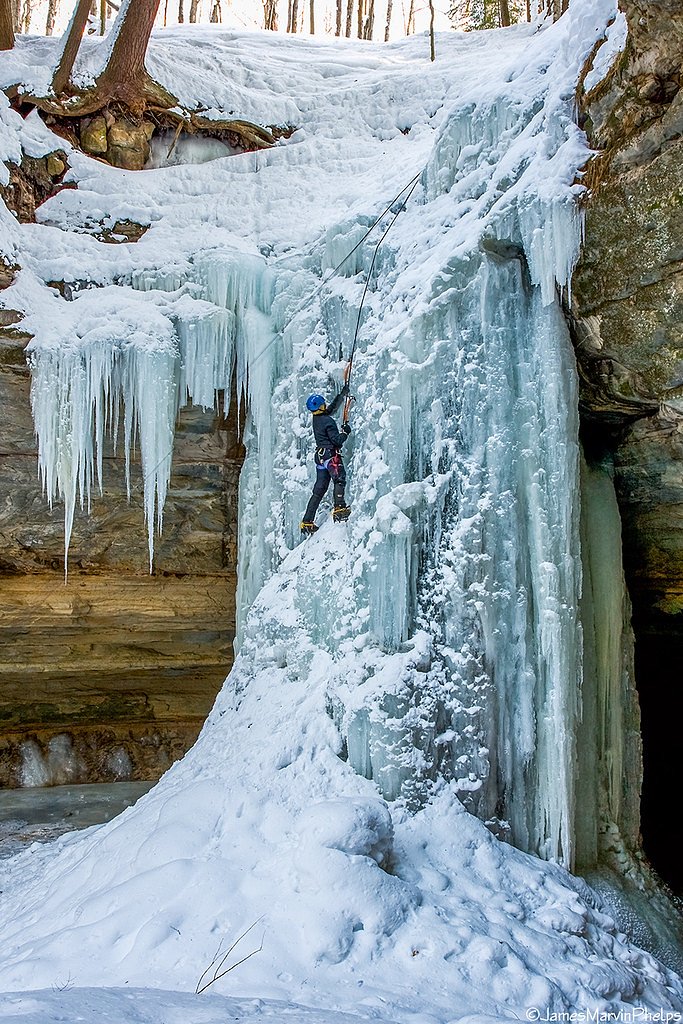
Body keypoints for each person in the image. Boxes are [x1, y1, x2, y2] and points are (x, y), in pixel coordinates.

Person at [300, 388, 352, 535]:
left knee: (319, 490)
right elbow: (337, 440)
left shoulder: (317, 418)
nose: (325, 405)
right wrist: (345, 432)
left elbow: (331, 409)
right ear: (320, 406)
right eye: (323, 404)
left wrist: (341, 395)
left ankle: (307, 522)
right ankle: (339, 508)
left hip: (320, 457)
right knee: (339, 479)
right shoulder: (327, 421)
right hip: (331, 456)